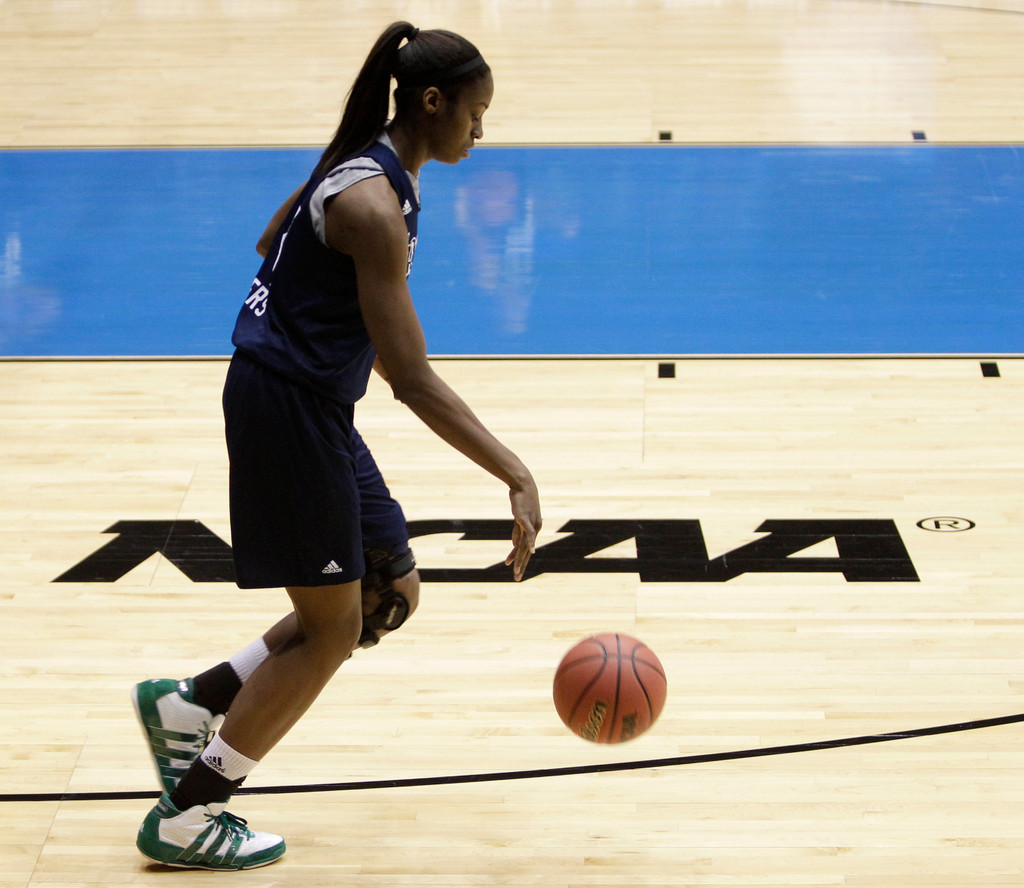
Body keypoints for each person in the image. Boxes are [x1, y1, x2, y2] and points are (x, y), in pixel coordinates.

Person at [132, 21, 541, 871]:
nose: (480, 130)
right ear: (433, 102)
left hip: (313, 406)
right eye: (476, 113)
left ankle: (192, 706)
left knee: (388, 592)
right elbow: (412, 377)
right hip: (287, 410)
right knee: (331, 631)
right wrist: (515, 473)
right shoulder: (369, 202)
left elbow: (268, 243)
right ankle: (189, 813)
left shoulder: (365, 169)